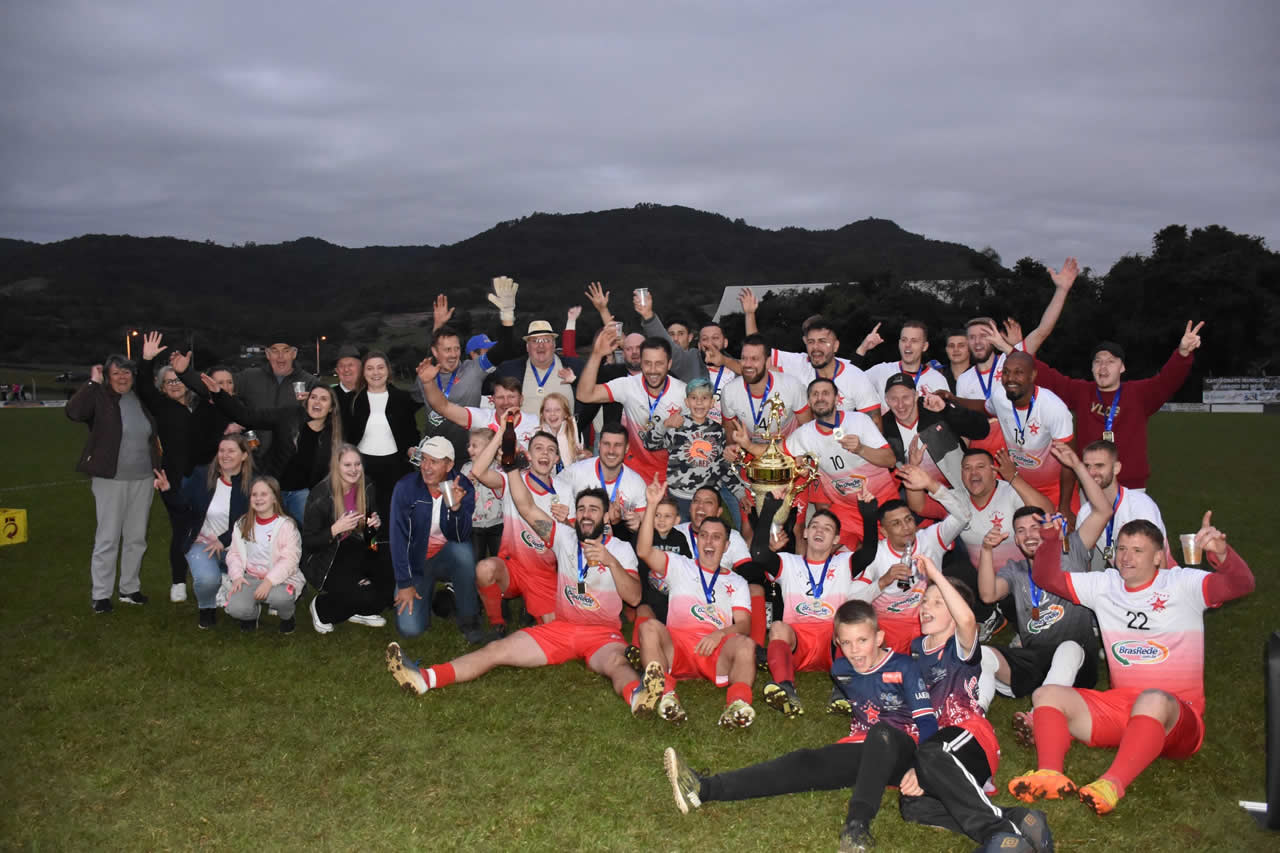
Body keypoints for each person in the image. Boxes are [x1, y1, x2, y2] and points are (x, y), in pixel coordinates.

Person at [1008, 510, 1254, 815]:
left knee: (1152, 699)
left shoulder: (1183, 584)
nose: (1126, 557)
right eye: (1122, 549)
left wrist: (1222, 554)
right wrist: (1048, 540)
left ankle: (1112, 783)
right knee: (1047, 695)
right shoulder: (1105, 585)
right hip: (1123, 709)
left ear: (1158, 557)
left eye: (1138, 551)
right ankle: (1050, 774)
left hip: (1177, 717)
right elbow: (1046, 578)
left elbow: (1242, 584)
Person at [659, 601, 938, 842]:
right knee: (804, 762)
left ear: (879, 638)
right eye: (847, 643)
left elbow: (928, 724)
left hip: (902, 752)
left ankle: (857, 825)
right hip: (863, 749)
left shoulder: (904, 667)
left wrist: (921, 771)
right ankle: (705, 788)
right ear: (838, 644)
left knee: (882, 733)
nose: (855, 651)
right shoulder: (841, 670)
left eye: (862, 641)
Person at [384, 482, 647, 711]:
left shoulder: (621, 550)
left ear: (605, 518)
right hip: (561, 629)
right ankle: (425, 678)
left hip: (601, 634)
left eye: (593, 510)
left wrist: (611, 562)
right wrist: (511, 469)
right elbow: (527, 508)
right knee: (497, 649)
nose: (586, 515)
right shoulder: (563, 538)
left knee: (616, 663)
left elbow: (634, 597)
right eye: (581, 509)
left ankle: (637, 697)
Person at [742, 489, 879, 718]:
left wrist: (869, 515)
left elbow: (868, 553)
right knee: (777, 628)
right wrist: (768, 511)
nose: (819, 531)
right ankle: (786, 688)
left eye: (827, 529)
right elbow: (758, 553)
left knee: (850, 626)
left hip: (834, 643)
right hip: (797, 642)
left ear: (836, 540)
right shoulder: (788, 563)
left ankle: (843, 691)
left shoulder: (844, 562)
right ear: (805, 532)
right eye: (814, 525)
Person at [633, 477, 758, 728]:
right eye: (704, 536)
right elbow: (644, 551)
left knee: (745, 644)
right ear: (697, 539)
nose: (709, 542)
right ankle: (667, 695)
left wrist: (720, 633)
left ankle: (738, 704)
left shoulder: (736, 581)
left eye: (716, 537)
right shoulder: (679, 564)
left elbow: (743, 624)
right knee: (647, 627)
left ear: (726, 544)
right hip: (676, 647)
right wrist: (651, 504)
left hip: (713, 648)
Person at [1027, 321, 1204, 493]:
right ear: (1092, 367)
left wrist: (1182, 354)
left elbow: (1167, 381)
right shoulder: (1081, 392)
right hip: (1091, 485)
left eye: (1111, 361)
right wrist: (1019, 351)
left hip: (1131, 488)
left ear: (1122, 367)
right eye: (1098, 361)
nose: (1103, 366)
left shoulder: (1139, 394)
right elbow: (1049, 378)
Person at [736, 377, 896, 550]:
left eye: (826, 393)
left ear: (836, 399)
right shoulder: (804, 434)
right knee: (820, 552)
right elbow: (775, 453)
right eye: (815, 394)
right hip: (845, 510)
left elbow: (890, 460)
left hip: (881, 502)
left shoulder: (859, 421)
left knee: (890, 555)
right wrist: (748, 445)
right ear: (809, 402)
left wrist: (861, 449)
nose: (820, 398)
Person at [976, 508, 1102, 716]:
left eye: (1035, 528)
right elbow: (988, 595)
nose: (1029, 536)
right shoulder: (1015, 570)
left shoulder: (1072, 554)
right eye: (1022, 531)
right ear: (1016, 540)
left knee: (1068, 648)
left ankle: (1040, 716)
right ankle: (976, 715)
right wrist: (986, 550)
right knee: (982, 654)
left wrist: (1080, 472)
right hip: (1036, 662)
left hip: (1078, 662)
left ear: (1046, 530)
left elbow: (1102, 511)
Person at [67, 354, 160, 612]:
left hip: (143, 479)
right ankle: (101, 594)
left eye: (127, 373)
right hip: (111, 479)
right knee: (107, 538)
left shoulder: (141, 399)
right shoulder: (100, 397)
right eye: (116, 373)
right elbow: (74, 412)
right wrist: (92, 383)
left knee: (136, 538)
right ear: (108, 375)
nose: (122, 377)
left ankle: (129, 589)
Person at [191, 371, 344, 524]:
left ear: (331, 408)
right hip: (272, 486)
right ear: (306, 401)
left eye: (324, 399)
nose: (317, 402)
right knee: (262, 530)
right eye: (313, 397)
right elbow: (246, 416)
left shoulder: (332, 436)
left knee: (310, 529)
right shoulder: (288, 417)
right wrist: (219, 394)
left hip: (301, 493)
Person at [470, 427, 570, 633]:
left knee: (554, 629)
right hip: (512, 566)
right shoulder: (512, 478)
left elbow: (575, 538)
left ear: (557, 458)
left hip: (543, 573)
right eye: (539, 448)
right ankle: (497, 624)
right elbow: (478, 472)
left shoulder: (565, 489)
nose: (545, 453)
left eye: (551, 450)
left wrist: (566, 521)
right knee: (484, 569)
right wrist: (500, 433)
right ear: (529, 456)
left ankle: (532, 607)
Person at [389, 436, 487, 643]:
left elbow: (460, 536)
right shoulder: (405, 488)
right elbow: (398, 539)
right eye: (423, 459)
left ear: (449, 464)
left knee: (463, 553)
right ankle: (430, 596)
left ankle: (469, 618)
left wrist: (456, 508)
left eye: (434, 461)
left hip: (446, 554)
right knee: (411, 629)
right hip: (416, 560)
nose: (426, 467)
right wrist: (405, 583)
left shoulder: (462, 486)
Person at [152, 435, 254, 629]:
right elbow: (183, 509)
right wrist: (168, 491)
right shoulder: (202, 476)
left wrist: (223, 541)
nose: (225, 455)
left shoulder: (252, 484)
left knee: (248, 585)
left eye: (231, 451)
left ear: (244, 456)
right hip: (203, 542)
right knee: (207, 580)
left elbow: (250, 521)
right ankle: (207, 608)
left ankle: (242, 602)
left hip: (239, 545)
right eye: (222, 450)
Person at [857, 480, 970, 654]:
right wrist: (883, 581)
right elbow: (854, 600)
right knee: (893, 668)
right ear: (884, 532)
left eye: (908, 519)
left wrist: (932, 484)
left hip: (930, 612)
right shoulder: (875, 554)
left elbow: (963, 516)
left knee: (951, 656)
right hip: (892, 621)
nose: (906, 527)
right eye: (896, 524)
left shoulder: (930, 538)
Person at [739, 296, 881, 427]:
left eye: (822, 341)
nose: (816, 347)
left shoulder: (854, 375)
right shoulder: (797, 364)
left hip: (843, 444)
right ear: (805, 341)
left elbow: (874, 423)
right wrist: (750, 314)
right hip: (804, 442)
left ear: (835, 345)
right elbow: (756, 349)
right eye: (811, 341)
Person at [577, 326, 687, 484]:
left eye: (659, 364)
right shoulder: (628, 386)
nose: (653, 370)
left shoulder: (683, 393)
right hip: (633, 473)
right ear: (641, 363)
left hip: (672, 475)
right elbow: (584, 395)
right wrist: (596, 354)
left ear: (669, 364)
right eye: (648, 363)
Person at [301, 444, 391, 633]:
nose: (354, 470)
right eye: (347, 465)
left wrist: (374, 524)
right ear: (336, 467)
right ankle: (321, 607)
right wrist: (334, 530)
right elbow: (308, 543)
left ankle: (359, 607)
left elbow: (369, 529)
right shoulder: (320, 496)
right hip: (325, 557)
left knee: (388, 581)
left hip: (355, 545)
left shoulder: (366, 484)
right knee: (363, 595)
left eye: (357, 464)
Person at [136, 332, 198, 603]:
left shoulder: (199, 406)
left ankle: (216, 578)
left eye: (178, 379)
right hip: (172, 479)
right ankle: (178, 582)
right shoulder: (162, 407)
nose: (174, 384)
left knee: (207, 529)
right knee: (182, 530)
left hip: (203, 478)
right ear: (162, 387)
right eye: (168, 381)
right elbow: (143, 388)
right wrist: (147, 360)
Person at [979, 351, 1076, 513]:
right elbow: (982, 407)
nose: (1010, 378)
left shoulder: (1053, 407)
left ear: (1032, 375)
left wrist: (1065, 507)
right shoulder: (1000, 396)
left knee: (1061, 536)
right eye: (1006, 372)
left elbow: (1070, 462)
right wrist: (952, 399)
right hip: (1017, 484)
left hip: (1055, 487)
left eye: (1019, 372)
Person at [879, 372, 989, 499]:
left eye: (906, 397)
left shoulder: (934, 407)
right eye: (894, 399)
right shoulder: (883, 429)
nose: (900, 405)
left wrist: (946, 411)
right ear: (886, 400)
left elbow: (982, 429)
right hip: (924, 498)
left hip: (962, 489)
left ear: (916, 396)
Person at [641, 378, 737, 520]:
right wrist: (665, 425)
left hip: (708, 500)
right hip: (679, 498)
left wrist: (739, 493)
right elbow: (649, 444)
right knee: (680, 536)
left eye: (704, 398)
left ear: (712, 403)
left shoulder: (718, 431)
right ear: (687, 402)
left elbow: (723, 467)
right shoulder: (677, 426)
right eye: (694, 398)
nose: (699, 402)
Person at [347, 351, 419, 536]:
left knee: (392, 516)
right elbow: (346, 435)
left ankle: (389, 557)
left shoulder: (402, 398)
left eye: (380, 367)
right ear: (363, 373)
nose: (375, 373)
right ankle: (369, 555)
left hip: (395, 466)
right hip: (363, 467)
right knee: (366, 516)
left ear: (388, 370)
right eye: (370, 368)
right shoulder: (354, 400)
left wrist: (412, 448)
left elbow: (411, 432)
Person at [225, 475, 306, 632]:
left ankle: (287, 616)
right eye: (254, 494)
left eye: (264, 494)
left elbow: (290, 559)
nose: (258, 498)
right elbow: (233, 553)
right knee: (234, 608)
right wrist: (237, 576)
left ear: (275, 498)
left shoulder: (286, 525)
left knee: (281, 598)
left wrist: (269, 581)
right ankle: (250, 615)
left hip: (280, 579)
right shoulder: (242, 523)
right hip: (251, 577)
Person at [1076, 439, 1170, 570]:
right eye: (1087, 466)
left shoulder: (1140, 505)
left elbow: (1158, 563)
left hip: (1158, 580)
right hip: (1122, 579)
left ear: (1116, 468)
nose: (1091, 472)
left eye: (1099, 466)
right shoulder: (1085, 513)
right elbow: (1077, 561)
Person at [418, 359, 541, 451]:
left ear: (521, 399)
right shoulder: (482, 418)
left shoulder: (535, 423)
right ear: (492, 400)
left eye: (511, 397)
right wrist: (428, 382)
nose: (506, 402)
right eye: (500, 397)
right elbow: (444, 407)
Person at [560, 422, 650, 539]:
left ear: (627, 448)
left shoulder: (636, 483)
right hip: (578, 543)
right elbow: (549, 492)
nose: (611, 451)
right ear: (599, 445)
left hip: (616, 548)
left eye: (617, 445)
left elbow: (643, 532)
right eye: (606, 444)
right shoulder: (574, 473)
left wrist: (636, 525)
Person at [719, 334, 810, 447]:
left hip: (788, 452)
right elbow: (729, 432)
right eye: (743, 358)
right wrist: (731, 450)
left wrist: (801, 454)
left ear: (767, 362)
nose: (747, 364)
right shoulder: (729, 391)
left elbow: (808, 428)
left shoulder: (792, 386)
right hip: (751, 451)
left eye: (754, 359)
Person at [234, 341, 318, 455]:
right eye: (275, 351)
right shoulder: (248, 377)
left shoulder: (310, 382)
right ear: (268, 354)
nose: (280, 356)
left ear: (294, 354)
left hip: (292, 457)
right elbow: (224, 397)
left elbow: (326, 415)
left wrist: (315, 404)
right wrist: (234, 421)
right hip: (253, 455)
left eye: (286, 351)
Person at [492, 319, 584, 413]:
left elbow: (591, 400)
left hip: (566, 427)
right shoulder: (509, 370)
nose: (541, 345)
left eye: (546, 340)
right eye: (535, 341)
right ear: (527, 347)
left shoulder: (576, 367)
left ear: (554, 345)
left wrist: (579, 426)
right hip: (523, 427)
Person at [855, 321, 951, 407]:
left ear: (924, 346)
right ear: (899, 343)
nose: (907, 345)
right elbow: (850, 383)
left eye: (914, 341)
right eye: (904, 340)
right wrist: (862, 349)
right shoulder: (882, 371)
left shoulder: (937, 379)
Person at [632, 287, 709, 383]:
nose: (675, 339)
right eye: (671, 334)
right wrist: (648, 316)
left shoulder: (695, 359)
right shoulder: (653, 365)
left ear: (690, 337)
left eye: (681, 334)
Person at [461, 428, 505, 564]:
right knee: (475, 560)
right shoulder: (466, 468)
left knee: (500, 560)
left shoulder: (499, 469)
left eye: (474, 446)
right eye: (469, 445)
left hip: (498, 523)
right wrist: (466, 485)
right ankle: (475, 583)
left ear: (489, 449)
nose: (469, 449)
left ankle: (500, 584)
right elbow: (460, 495)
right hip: (474, 525)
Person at [331, 344, 363, 423]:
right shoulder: (329, 396)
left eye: (350, 365)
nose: (346, 369)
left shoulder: (371, 393)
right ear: (337, 370)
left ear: (360, 368)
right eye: (341, 366)